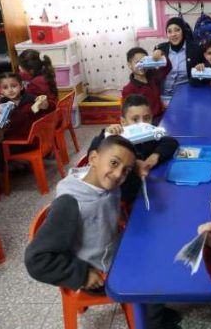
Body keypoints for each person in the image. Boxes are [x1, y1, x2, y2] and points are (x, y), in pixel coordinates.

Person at [25, 135, 181, 329]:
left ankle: (155, 310)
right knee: (154, 271)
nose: (118, 174)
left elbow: (127, 167)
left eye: (125, 170)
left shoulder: (105, 180)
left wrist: (136, 166)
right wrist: (83, 275)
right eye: (114, 163)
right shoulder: (69, 204)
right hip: (98, 273)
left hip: (114, 249)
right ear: (93, 158)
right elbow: (36, 260)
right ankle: (153, 322)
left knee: (160, 244)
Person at [88, 94, 179, 206]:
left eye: (146, 118)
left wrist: (153, 158)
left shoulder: (148, 137)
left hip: (146, 189)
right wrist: (106, 133)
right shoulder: (117, 139)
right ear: (123, 122)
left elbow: (170, 142)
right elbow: (94, 151)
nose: (142, 124)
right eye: (135, 119)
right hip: (123, 195)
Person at [0, 72, 46, 172]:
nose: (10, 90)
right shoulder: (3, 103)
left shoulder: (30, 99)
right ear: (1, 91)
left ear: (21, 86)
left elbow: (47, 107)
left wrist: (44, 104)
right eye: (5, 87)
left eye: (14, 86)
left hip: (28, 140)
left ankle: (4, 175)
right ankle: (13, 166)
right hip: (15, 138)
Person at [153, 17, 204, 102]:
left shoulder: (195, 49)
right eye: (169, 31)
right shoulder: (160, 49)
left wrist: (202, 67)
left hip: (185, 98)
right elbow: (153, 73)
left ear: (183, 31)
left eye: (177, 30)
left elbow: (204, 73)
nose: (173, 34)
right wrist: (154, 57)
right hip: (161, 97)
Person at [122, 47, 172, 121]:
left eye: (144, 62)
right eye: (137, 62)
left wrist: (161, 53)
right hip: (146, 122)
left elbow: (168, 67)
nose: (142, 65)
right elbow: (128, 113)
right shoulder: (128, 89)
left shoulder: (153, 76)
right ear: (129, 65)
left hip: (162, 116)